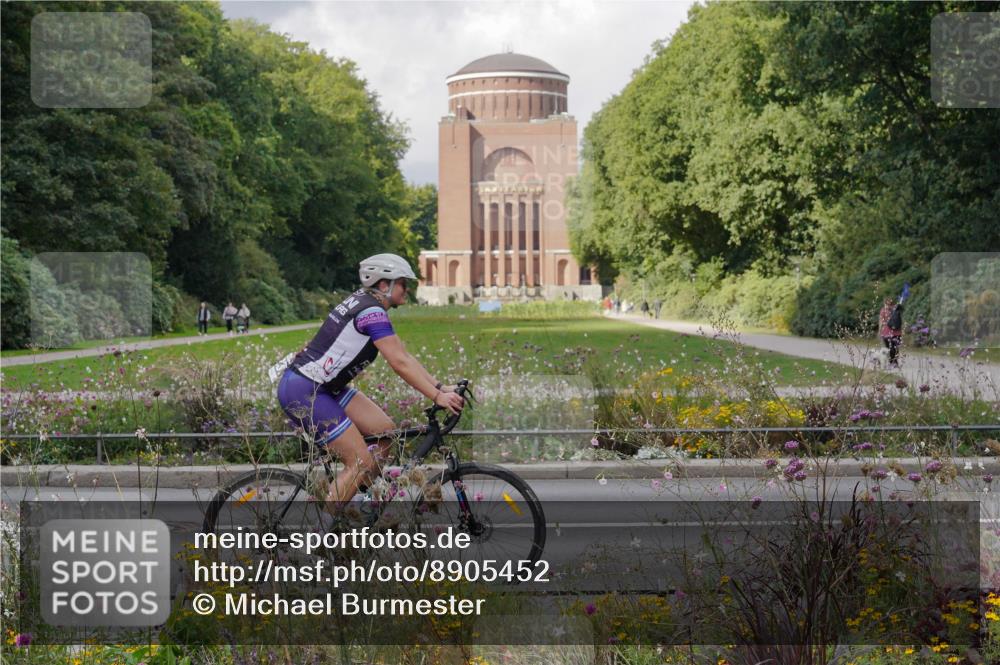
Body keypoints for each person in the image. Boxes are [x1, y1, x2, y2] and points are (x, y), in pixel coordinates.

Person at [276, 253, 465, 518]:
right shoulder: (371, 312)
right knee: (362, 461)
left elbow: (404, 356)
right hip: (306, 390)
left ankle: (362, 511)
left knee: (385, 433)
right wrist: (436, 396)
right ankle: (323, 539)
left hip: (325, 387)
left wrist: (440, 387)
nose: (407, 289)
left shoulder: (366, 305)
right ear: (384, 284)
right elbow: (398, 363)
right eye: (403, 283)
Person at [878, 296, 904, 367]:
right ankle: (894, 362)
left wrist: (879, 331)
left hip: (887, 333)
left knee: (889, 348)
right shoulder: (896, 309)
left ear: (885, 303)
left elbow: (881, 321)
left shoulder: (883, 310)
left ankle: (892, 362)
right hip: (897, 333)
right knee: (895, 348)